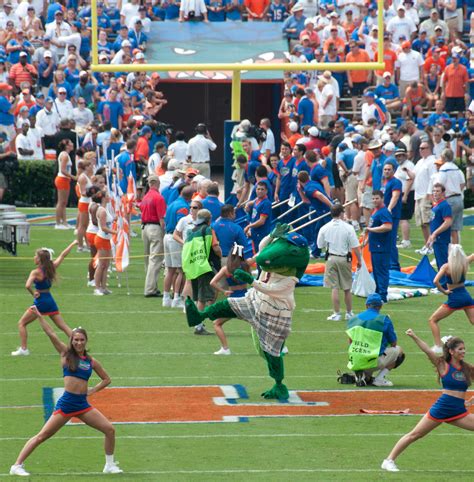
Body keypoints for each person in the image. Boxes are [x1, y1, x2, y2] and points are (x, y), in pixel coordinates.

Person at [10, 309, 122, 476]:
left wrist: (92, 390)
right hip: (67, 404)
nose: (78, 343)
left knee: (110, 430)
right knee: (42, 436)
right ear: (71, 340)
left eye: (81, 340)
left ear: (86, 341)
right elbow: (51, 334)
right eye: (75, 339)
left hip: (82, 404)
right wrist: (40, 317)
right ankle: (17, 465)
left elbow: (107, 379)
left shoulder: (91, 361)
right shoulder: (66, 354)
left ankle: (109, 465)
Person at [381, 330, 474, 472]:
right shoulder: (442, 365)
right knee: (415, 435)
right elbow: (427, 350)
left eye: (464, 349)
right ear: (451, 351)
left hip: (458, 410)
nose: (463, 351)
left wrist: (470, 400)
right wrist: (414, 336)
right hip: (443, 408)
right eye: (460, 349)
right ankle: (388, 460)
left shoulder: (467, 368)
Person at [11, 242, 76, 357]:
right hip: (50, 300)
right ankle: (77, 343)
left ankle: (24, 349)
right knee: (63, 326)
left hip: (40, 301)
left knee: (21, 323)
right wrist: (73, 243)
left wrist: (33, 293)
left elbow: (27, 285)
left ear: (40, 259)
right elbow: (63, 255)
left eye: (36, 256)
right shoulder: (52, 267)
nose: (34, 258)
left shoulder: (35, 272)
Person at [347, 293, 405, 387]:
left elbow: (351, 343)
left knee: (364, 357)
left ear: (366, 305)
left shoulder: (353, 319)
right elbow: (394, 343)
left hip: (355, 360)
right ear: (381, 306)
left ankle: (363, 375)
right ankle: (379, 379)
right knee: (399, 351)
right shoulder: (384, 320)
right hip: (373, 361)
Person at [317, 204, 361, 321]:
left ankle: (336, 313)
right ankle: (349, 312)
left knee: (334, 287)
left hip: (331, 258)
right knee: (347, 287)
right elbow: (355, 246)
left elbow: (319, 245)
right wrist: (360, 260)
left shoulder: (325, 227)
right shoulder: (348, 228)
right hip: (344, 258)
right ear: (341, 213)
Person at [182, 208, 222, 335]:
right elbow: (215, 247)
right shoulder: (208, 230)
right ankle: (198, 326)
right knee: (202, 298)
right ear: (209, 220)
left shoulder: (191, 231)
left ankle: (200, 322)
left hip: (193, 267)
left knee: (199, 297)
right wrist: (220, 255)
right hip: (205, 266)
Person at [428, 245, 474, 353]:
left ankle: (438, 346)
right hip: (466, 296)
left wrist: (444, 291)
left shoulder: (446, 267)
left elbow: (435, 281)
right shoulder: (465, 263)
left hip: (454, 298)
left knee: (433, 320)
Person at [210, 244, 250, 355]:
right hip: (246, 300)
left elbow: (212, 282)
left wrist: (224, 291)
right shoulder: (247, 265)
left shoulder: (226, 269)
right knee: (259, 324)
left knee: (217, 324)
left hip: (232, 302)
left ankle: (225, 349)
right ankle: (280, 347)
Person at [139, 175, 166, 298]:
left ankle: (151, 286)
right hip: (155, 228)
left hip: (145, 228)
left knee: (148, 259)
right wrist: (164, 233)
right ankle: (150, 289)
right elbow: (161, 218)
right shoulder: (158, 197)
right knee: (155, 259)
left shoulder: (145, 197)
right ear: (158, 183)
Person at [366, 190, 392, 303]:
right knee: (376, 271)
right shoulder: (375, 211)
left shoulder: (384, 212)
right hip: (375, 246)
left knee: (381, 271)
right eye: (373, 198)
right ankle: (378, 293)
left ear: (382, 199)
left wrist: (370, 230)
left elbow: (387, 226)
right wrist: (367, 240)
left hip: (381, 247)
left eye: (377, 198)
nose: (375, 200)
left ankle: (382, 295)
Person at [93, 189, 117, 296]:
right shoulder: (101, 210)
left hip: (106, 239)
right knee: (101, 264)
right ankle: (97, 287)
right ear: (103, 197)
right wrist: (115, 232)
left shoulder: (105, 209)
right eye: (107, 195)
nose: (109, 197)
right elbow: (103, 227)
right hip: (102, 239)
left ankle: (103, 287)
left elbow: (108, 221)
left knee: (106, 265)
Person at [381, 160, 402, 271]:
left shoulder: (396, 182)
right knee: (386, 239)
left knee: (391, 240)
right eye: (385, 169)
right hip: (385, 215)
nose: (387, 171)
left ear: (393, 171)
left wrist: (389, 208)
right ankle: (388, 263)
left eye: (389, 169)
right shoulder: (386, 182)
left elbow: (396, 196)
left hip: (392, 215)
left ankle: (394, 265)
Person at [244, 181, 272, 254]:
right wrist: (248, 204)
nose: (260, 191)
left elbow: (261, 221)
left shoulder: (266, 203)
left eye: (262, 189)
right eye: (258, 189)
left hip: (261, 233)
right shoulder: (257, 199)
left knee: (260, 254)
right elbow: (253, 202)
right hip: (255, 233)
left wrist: (249, 226)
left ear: (266, 191)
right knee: (255, 253)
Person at [54, 139, 75, 230]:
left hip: (65, 179)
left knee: (64, 202)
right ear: (67, 146)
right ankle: (58, 223)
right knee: (61, 202)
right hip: (62, 179)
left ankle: (64, 222)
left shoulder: (66, 155)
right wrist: (73, 177)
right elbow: (63, 170)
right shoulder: (65, 155)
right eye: (70, 143)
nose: (72, 144)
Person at [76, 160, 94, 252]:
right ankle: (80, 246)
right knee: (82, 225)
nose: (92, 166)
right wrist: (92, 193)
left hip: (88, 202)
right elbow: (83, 192)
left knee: (86, 225)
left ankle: (87, 245)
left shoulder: (88, 176)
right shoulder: (83, 177)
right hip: (84, 203)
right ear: (86, 167)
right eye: (90, 165)